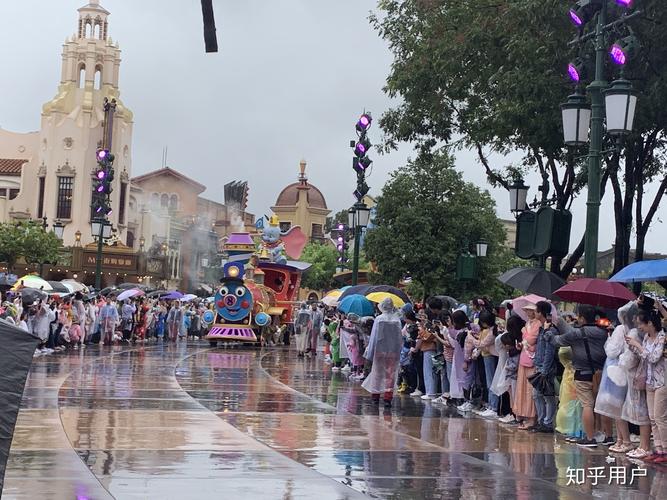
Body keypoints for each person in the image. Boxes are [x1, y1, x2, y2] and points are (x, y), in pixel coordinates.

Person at [547, 304, 612, 447]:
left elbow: (556, 341)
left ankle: (590, 438)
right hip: (602, 374)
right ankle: (608, 436)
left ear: (582, 318)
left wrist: (548, 332)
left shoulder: (576, 334)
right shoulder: (603, 332)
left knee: (587, 405)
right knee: (603, 405)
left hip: (583, 373)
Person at [625, 308, 666, 462]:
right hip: (649, 381)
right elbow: (644, 358)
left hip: (661, 381)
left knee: (660, 418)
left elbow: (654, 357)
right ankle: (659, 449)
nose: (639, 327)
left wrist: (639, 345)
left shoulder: (662, 337)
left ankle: (665, 450)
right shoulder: (647, 338)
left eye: (641, 324)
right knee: (653, 418)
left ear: (649, 323)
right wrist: (633, 346)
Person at [597, 301, 634, 453]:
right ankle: (620, 440)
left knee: (616, 407)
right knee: (620, 407)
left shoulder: (620, 329)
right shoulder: (635, 330)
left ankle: (624, 440)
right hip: (625, 371)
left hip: (615, 371)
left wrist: (609, 338)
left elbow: (612, 351)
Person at [362, 297, 403, 408]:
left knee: (377, 373)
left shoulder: (379, 319)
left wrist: (369, 354)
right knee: (391, 374)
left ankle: (375, 395)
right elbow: (399, 338)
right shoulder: (396, 320)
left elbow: (374, 337)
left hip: (379, 350)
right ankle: (387, 397)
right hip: (393, 351)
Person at [531, 301, 558, 433]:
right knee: (537, 395)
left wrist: (545, 369)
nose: (534, 313)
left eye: (536, 311)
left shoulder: (550, 330)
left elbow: (549, 350)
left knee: (548, 395)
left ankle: (547, 422)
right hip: (539, 365)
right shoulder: (542, 329)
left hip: (546, 367)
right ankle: (541, 421)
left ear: (541, 313)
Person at [515, 304, 539, 430]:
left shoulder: (537, 324)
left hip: (532, 359)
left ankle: (532, 417)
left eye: (531, 310)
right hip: (524, 356)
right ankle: (524, 414)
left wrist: (525, 333)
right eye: (527, 310)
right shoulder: (528, 323)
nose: (528, 313)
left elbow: (531, 339)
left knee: (530, 389)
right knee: (522, 388)